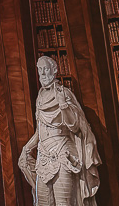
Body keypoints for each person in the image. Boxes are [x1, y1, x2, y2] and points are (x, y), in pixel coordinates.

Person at [19, 56, 101, 206]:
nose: (43, 73)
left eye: (46, 69)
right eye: (40, 69)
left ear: (54, 70)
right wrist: (26, 148)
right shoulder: (40, 97)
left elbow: (75, 126)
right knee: (42, 202)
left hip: (62, 153)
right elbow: (39, 132)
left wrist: (63, 105)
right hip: (43, 155)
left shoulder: (64, 94)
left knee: (64, 203)